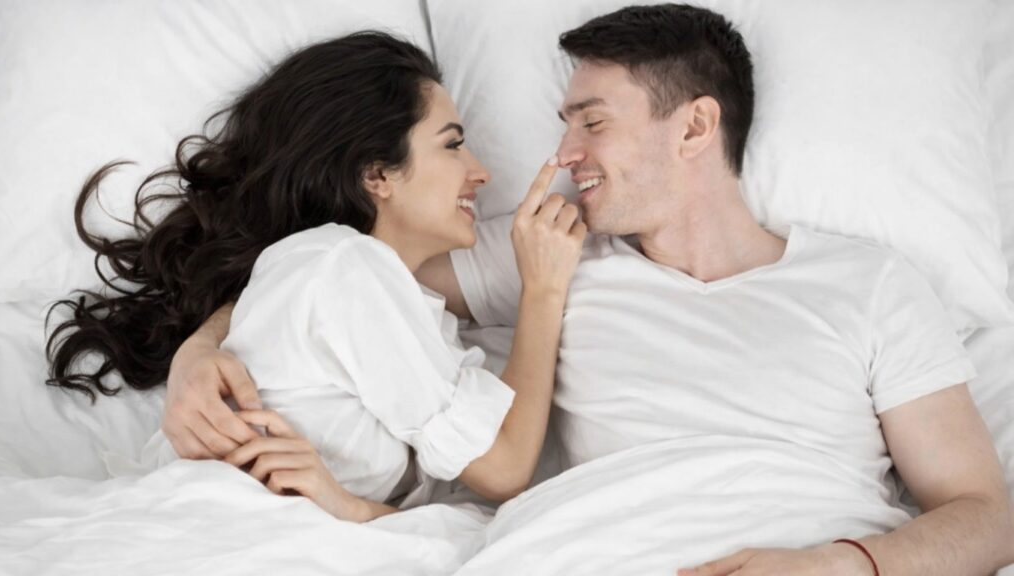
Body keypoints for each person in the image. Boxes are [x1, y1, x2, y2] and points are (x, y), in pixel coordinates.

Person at [163, 4, 1014, 575]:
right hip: (586, 551)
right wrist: (199, 352)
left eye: (593, 123)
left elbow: (984, 513)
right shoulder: (555, 252)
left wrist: (844, 565)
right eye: (564, 125)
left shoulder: (868, 284)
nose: (565, 155)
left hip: (808, 542)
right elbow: (344, 277)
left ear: (696, 125)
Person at [46, 32, 585, 522]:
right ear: (377, 174)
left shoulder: (343, 275)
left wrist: (353, 509)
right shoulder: (347, 268)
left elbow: (361, 509)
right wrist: (543, 289)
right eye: (451, 144)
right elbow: (504, 466)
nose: (480, 171)